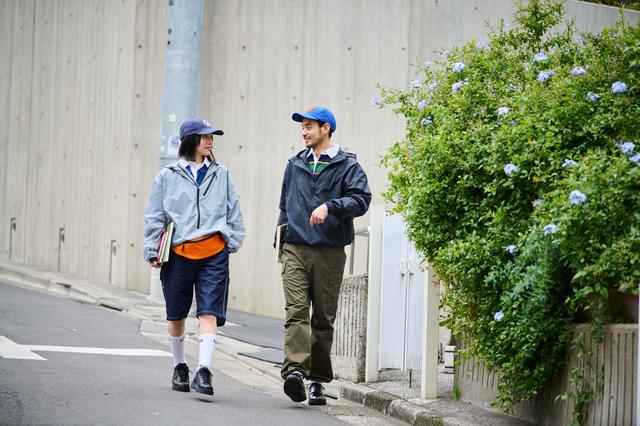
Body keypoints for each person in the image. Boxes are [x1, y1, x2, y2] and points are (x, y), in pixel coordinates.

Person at [143, 117, 245, 397]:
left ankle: (204, 371)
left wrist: (232, 241)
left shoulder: (222, 173)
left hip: (214, 252)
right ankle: (179, 366)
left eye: (212, 136)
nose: (210, 141)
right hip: (179, 253)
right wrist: (152, 249)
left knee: (209, 311)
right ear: (190, 140)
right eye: (205, 136)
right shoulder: (167, 176)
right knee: (176, 314)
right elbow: (155, 215)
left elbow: (234, 209)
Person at [276, 106, 371, 405]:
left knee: (323, 318)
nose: (304, 132)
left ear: (325, 128)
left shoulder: (348, 165)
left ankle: (316, 380)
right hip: (295, 247)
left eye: (309, 126)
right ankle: (295, 371)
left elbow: (361, 199)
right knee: (296, 310)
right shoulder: (294, 164)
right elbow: (284, 206)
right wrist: (280, 242)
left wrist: (331, 206)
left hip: (330, 250)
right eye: (302, 127)